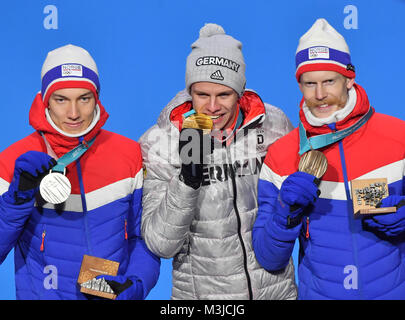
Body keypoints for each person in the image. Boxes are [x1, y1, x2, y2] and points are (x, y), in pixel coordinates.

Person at [140, 23, 296, 300]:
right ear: (190, 92)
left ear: (240, 91)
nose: (212, 107)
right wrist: (187, 180)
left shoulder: (274, 125)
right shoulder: (161, 141)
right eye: (202, 95)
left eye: (223, 94)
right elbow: (160, 244)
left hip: (276, 292)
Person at [252, 18, 405, 299]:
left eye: (329, 81)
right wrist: (286, 211)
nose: (319, 95)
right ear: (298, 84)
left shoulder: (398, 137)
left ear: (350, 78)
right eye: (309, 84)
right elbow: (268, 258)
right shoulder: (282, 155)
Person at [0, 44, 160, 299]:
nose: (73, 113)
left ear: (96, 97)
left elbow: (144, 239)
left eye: (84, 99)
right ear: (45, 101)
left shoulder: (128, 154)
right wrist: (16, 200)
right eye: (61, 99)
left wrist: (135, 285)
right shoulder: (12, 161)